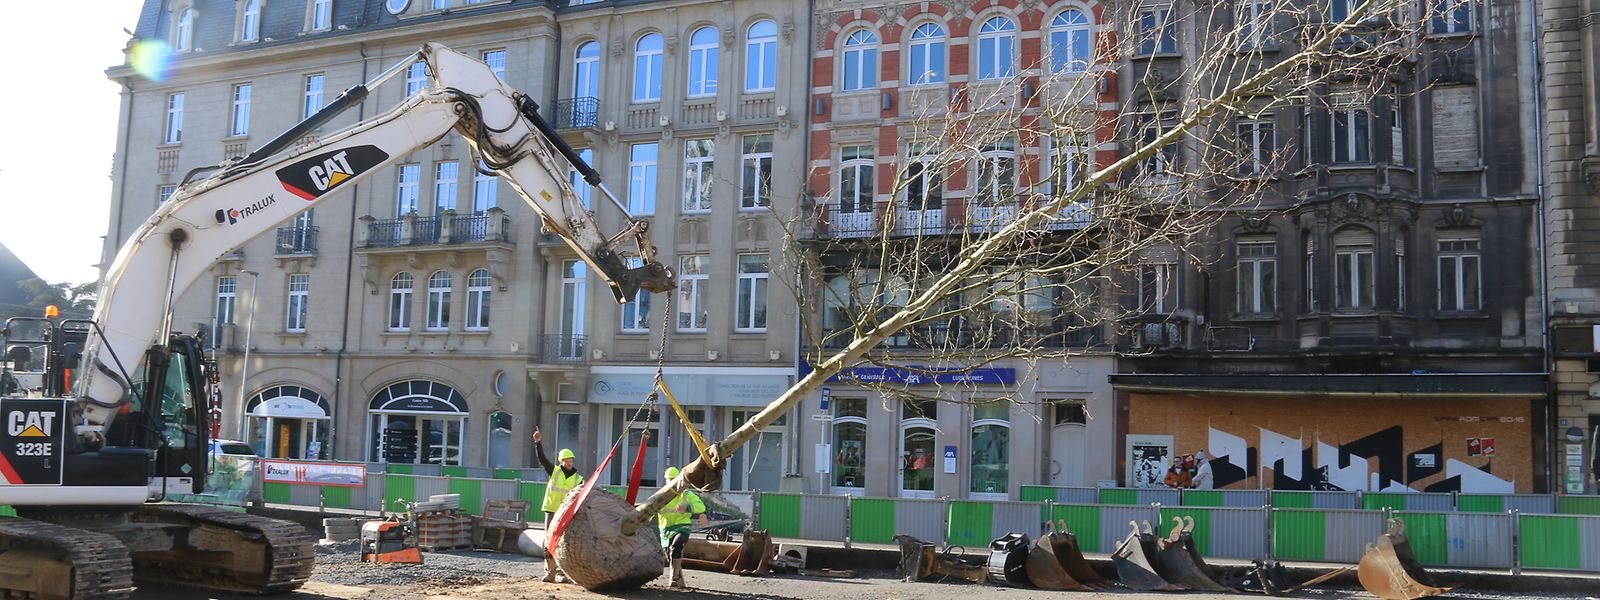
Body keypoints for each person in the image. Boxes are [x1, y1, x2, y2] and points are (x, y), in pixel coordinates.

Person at [532, 426, 581, 584]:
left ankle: (563, 574)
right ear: (561, 461)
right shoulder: (554, 471)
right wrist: (538, 442)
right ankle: (550, 573)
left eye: (571, 460)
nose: (569, 463)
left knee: (565, 544)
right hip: (552, 511)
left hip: (567, 515)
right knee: (549, 543)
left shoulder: (579, 479)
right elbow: (542, 459)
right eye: (567, 460)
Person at [657, 466, 710, 589]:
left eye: (673, 479)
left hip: (682, 526)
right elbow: (649, 510)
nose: (670, 482)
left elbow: (701, 507)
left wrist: (687, 508)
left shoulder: (686, 494)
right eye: (668, 479)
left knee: (676, 546)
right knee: (671, 555)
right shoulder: (660, 495)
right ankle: (680, 583)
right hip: (665, 529)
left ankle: (673, 577)